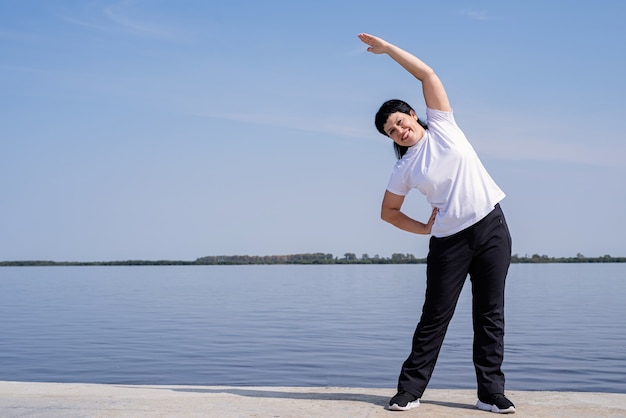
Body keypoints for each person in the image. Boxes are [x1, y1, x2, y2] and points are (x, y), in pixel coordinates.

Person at [358, 33, 515, 414]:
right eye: (391, 132)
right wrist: (424, 228)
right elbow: (388, 212)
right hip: (449, 242)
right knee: (435, 316)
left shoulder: (444, 126)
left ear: (413, 114)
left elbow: (427, 73)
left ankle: (490, 393)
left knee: (490, 313)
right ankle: (409, 391)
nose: (399, 131)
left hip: (491, 227)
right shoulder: (404, 168)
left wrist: (390, 50)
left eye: (399, 122)